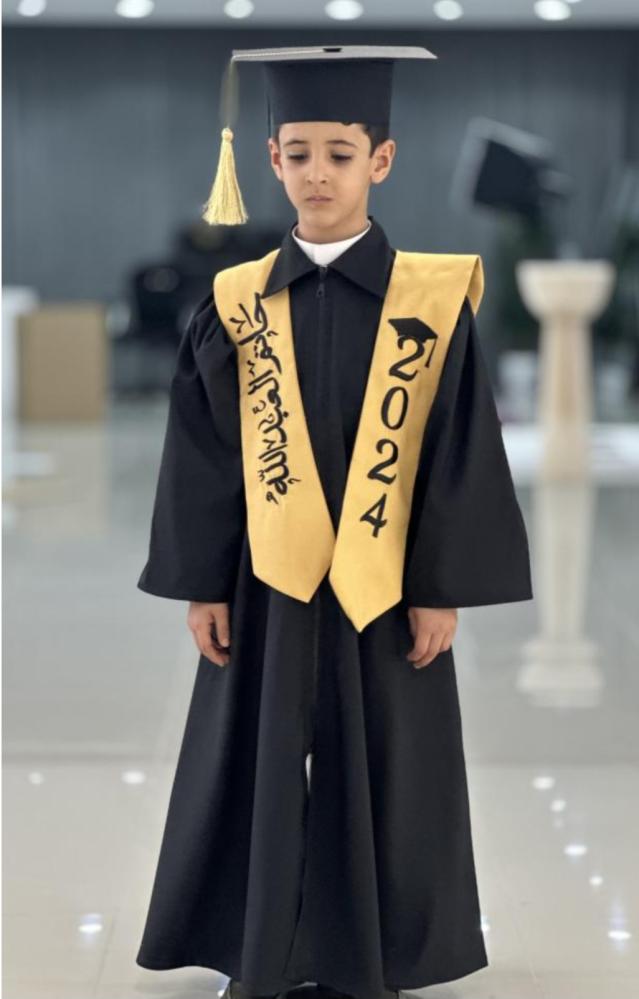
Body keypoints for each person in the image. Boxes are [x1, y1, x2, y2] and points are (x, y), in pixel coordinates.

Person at [135, 45, 533, 999]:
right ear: (271, 159)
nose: (319, 173)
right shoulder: (237, 303)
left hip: (383, 578)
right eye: (300, 153)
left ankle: (375, 951)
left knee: (388, 762)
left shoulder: (430, 303)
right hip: (266, 576)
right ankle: (261, 946)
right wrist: (202, 581)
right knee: (257, 758)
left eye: (341, 154)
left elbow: (455, 449)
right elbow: (203, 453)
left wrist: (438, 587)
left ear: (379, 161)